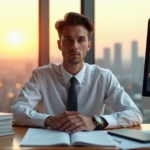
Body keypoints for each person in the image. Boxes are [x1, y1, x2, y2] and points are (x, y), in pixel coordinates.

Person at [9, 12, 142, 133]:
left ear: (88, 45)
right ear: (60, 45)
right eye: (68, 40)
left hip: (91, 145)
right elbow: (15, 111)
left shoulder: (103, 77)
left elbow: (134, 113)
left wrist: (96, 121)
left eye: (81, 40)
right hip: (51, 144)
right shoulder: (41, 76)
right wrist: (48, 120)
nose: (74, 46)